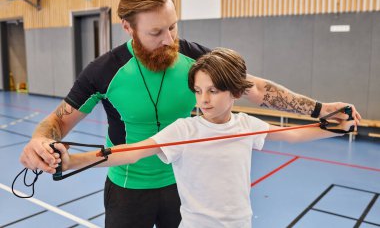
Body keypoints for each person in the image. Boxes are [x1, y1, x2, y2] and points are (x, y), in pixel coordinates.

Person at [19, 0, 360, 228]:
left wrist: (319, 110)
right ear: (127, 28)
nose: (169, 39)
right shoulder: (104, 71)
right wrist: (40, 142)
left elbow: (254, 88)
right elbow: (58, 122)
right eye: (156, 33)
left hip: (184, 187)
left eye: (173, 26)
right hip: (126, 187)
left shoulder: (193, 56)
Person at [51, 47, 355, 228]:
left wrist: (332, 127)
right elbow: (131, 151)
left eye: (213, 90)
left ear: (236, 92)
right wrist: (73, 161)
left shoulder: (246, 125)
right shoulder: (184, 130)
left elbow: (291, 135)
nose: (204, 99)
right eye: (198, 91)